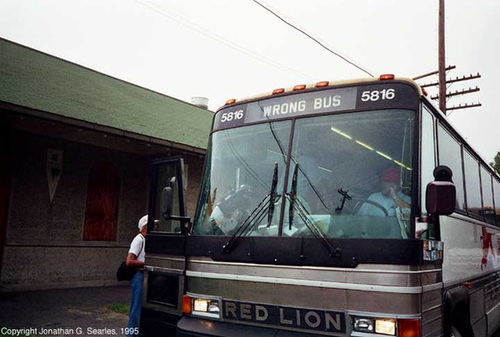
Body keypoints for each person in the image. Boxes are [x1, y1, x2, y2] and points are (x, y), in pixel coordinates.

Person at [125, 215, 147, 337]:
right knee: (136, 308)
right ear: (144, 228)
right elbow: (129, 261)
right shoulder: (139, 240)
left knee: (140, 308)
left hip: (144, 276)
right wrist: (146, 263)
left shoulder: (145, 239)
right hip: (139, 276)